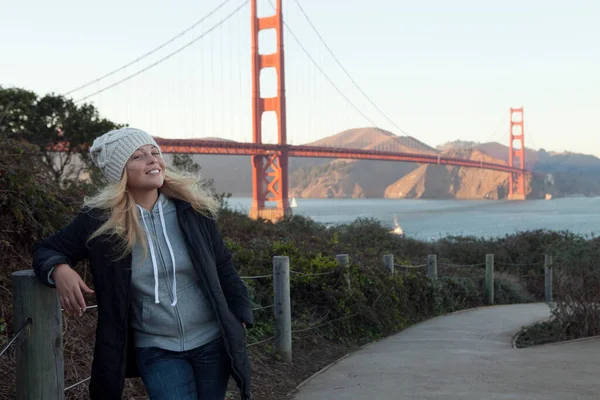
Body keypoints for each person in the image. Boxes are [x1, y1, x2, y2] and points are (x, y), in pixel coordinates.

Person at [33, 128, 253, 400]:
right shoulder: (100, 222)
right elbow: (47, 249)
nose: (152, 160)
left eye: (155, 152)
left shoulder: (193, 211)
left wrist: (240, 313)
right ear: (120, 173)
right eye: (138, 156)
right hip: (156, 349)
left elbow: (223, 265)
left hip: (211, 340)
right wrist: (59, 269)